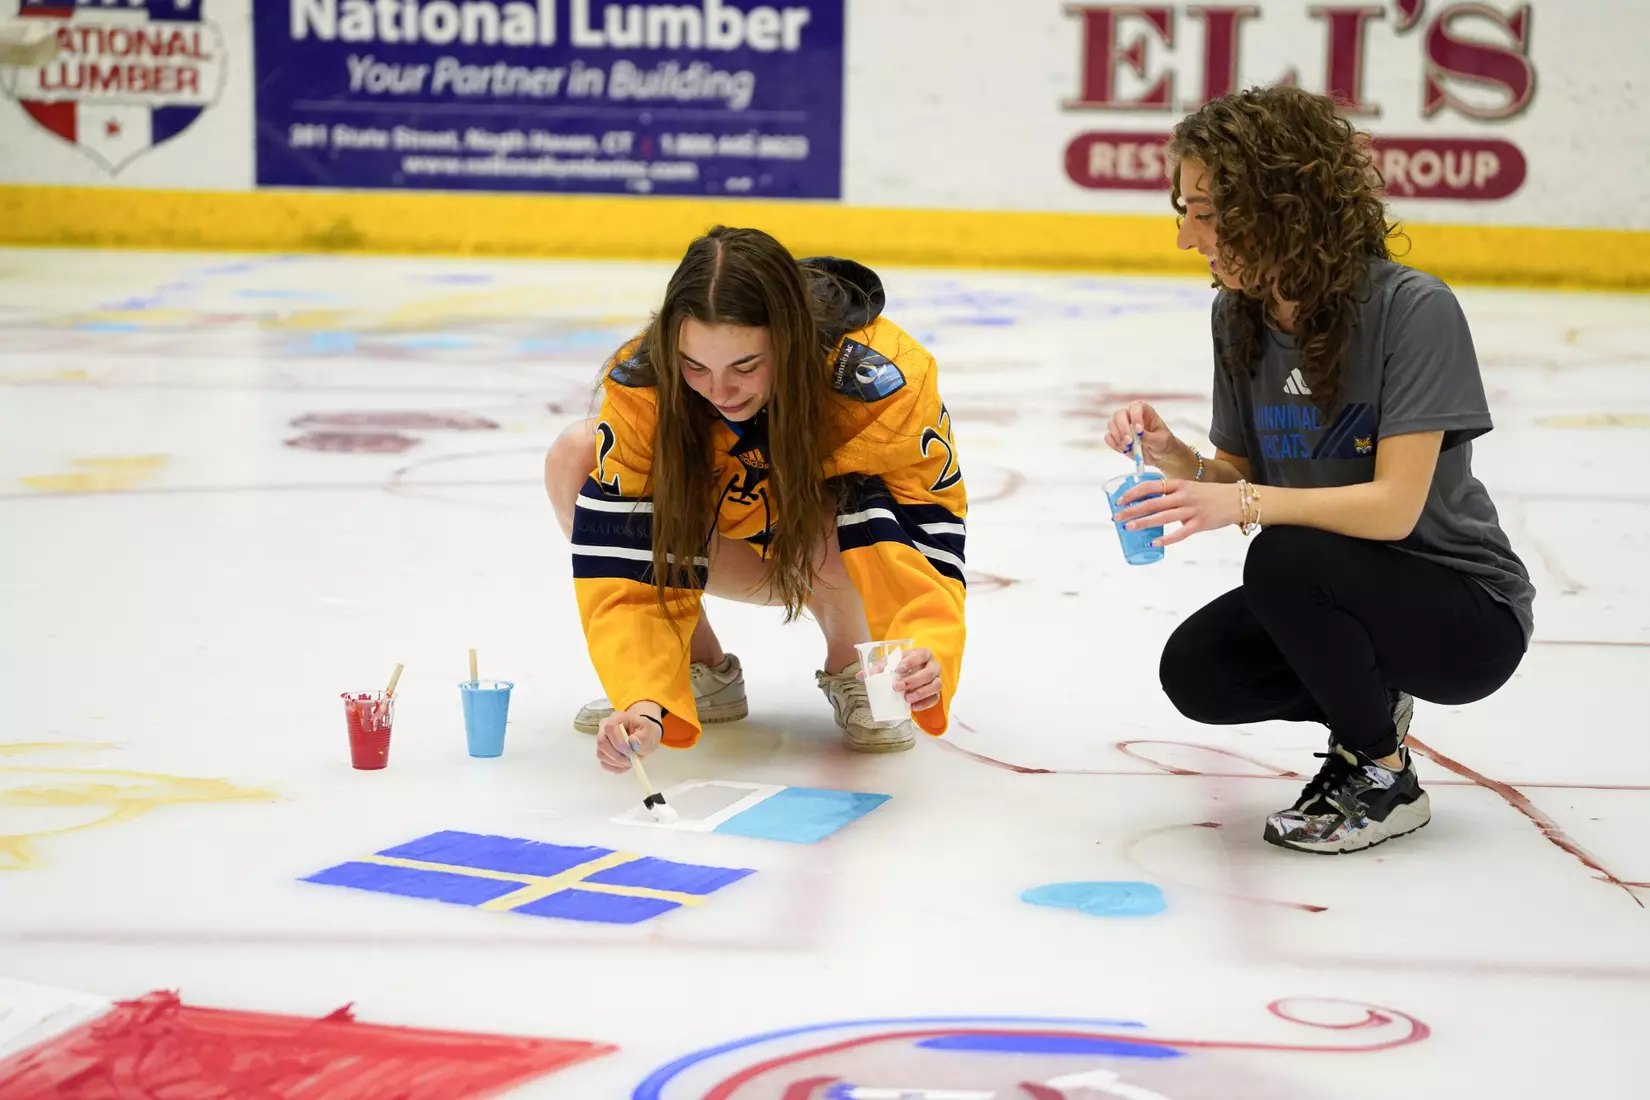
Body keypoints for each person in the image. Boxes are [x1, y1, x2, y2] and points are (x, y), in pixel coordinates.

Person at [1105, 85, 1534, 854]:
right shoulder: (1237, 314)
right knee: (1199, 673)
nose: (1186, 238)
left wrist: (1238, 502)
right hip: (1337, 586)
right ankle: (1372, 705)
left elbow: (1394, 511)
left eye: (1205, 211)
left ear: (1280, 207)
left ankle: (1380, 774)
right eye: (1184, 209)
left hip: (1465, 614)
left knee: (1283, 554)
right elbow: (1240, 469)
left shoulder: (1413, 309)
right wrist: (1178, 458)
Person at [542, 226, 968, 771]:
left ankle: (857, 667)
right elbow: (623, 554)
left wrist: (922, 646)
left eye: (746, 366)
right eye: (695, 366)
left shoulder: (878, 380)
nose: (719, 392)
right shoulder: (646, 384)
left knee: (858, 497)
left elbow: (923, 523)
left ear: (790, 339)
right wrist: (646, 699)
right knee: (575, 457)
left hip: (826, 551)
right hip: (730, 548)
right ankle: (695, 672)